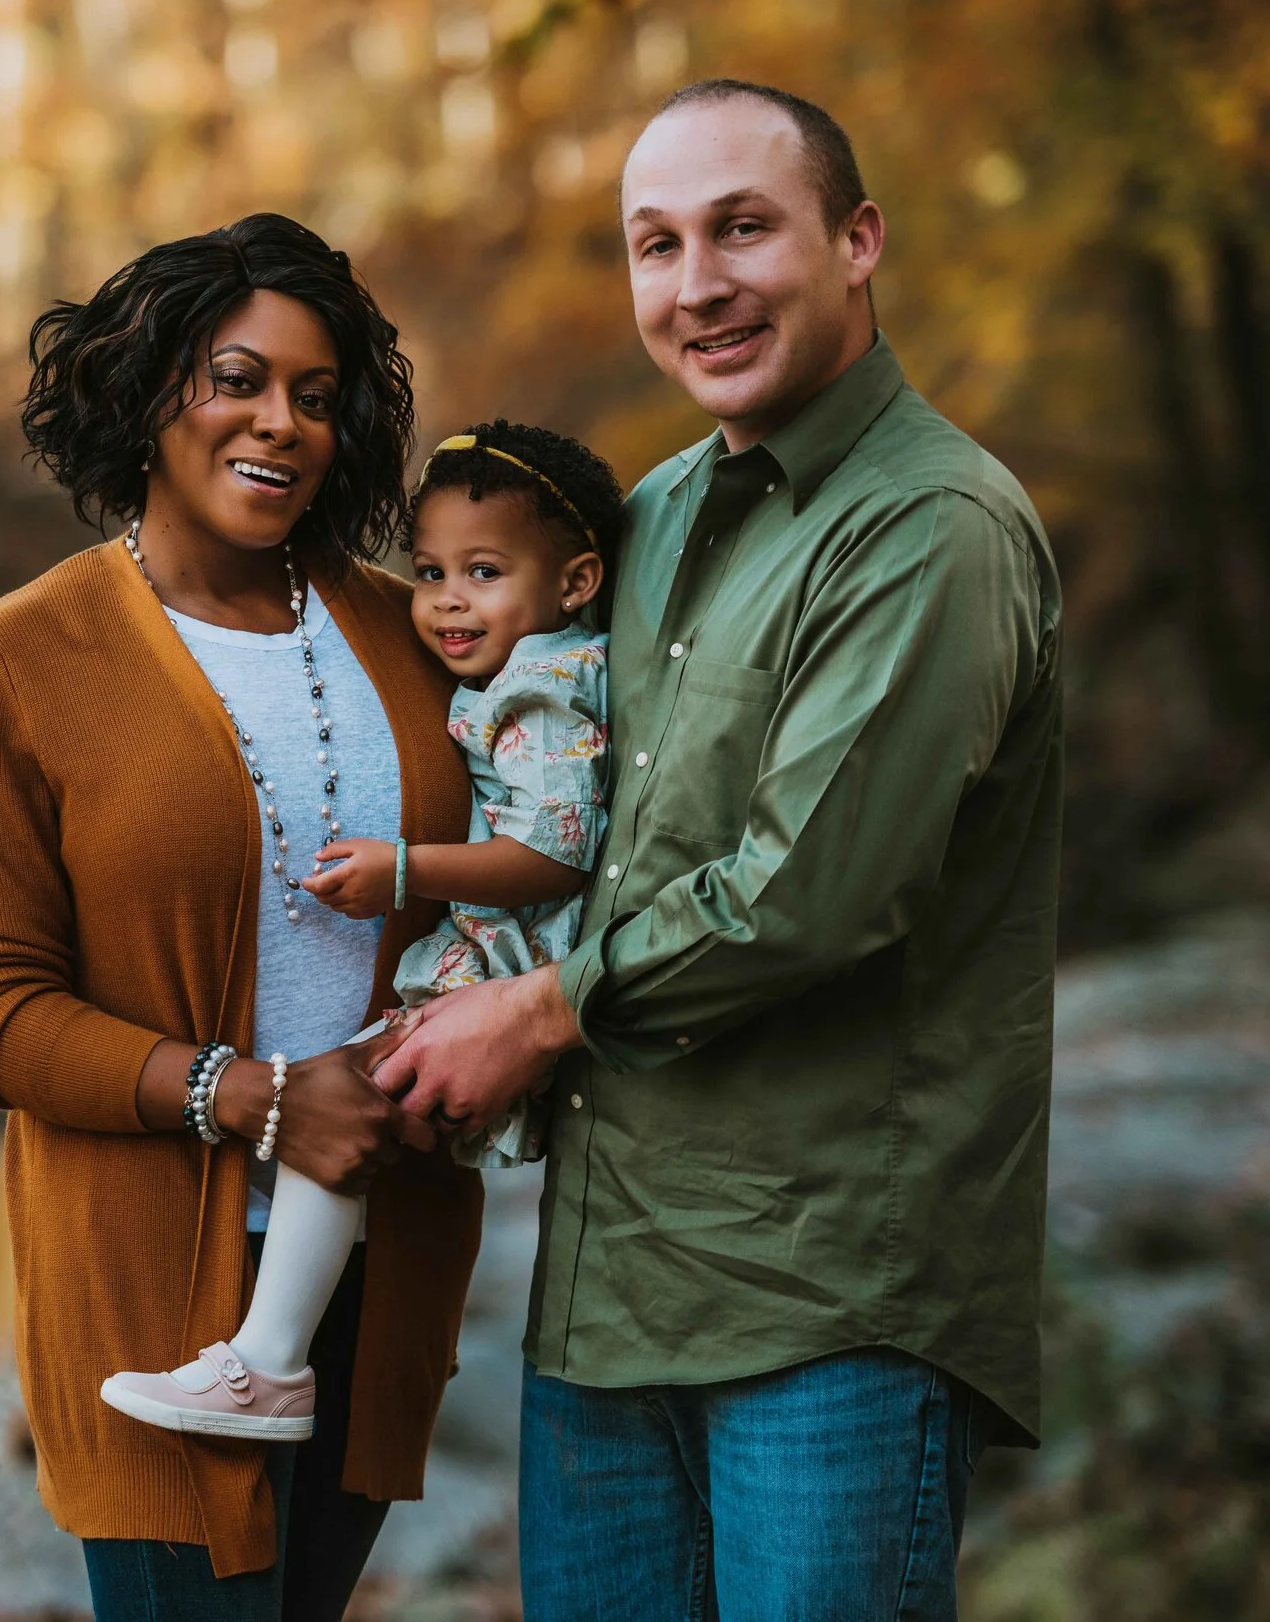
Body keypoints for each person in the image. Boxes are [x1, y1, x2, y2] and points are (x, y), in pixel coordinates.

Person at [374, 80, 1066, 1620]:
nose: (698, 285)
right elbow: (550, 793)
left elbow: (813, 891)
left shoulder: (931, 527)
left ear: (858, 240)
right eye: (656, 245)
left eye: (743, 229)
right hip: (607, 1299)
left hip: (830, 1305)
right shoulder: (655, 518)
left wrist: (536, 1014)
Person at [0, 211, 482, 1622]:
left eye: (316, 396)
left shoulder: (423, 639)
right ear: (150, 389)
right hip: (156, 1291)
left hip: (380, 1263)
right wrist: (252, 1097)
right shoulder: (20, 659)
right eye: (237, 379)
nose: (279, 423)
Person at [99, 420, 625, 1440]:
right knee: (335, 1111)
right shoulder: (534, 672)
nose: (445, 601)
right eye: (427, 571)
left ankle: (266, 1366)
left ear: (574, 582)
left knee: (327, 1110)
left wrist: (403, 870)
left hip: (506, 971)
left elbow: (554, 854)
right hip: (494, 961)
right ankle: (272, 1357)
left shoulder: (546, 695)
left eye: (482, 570)